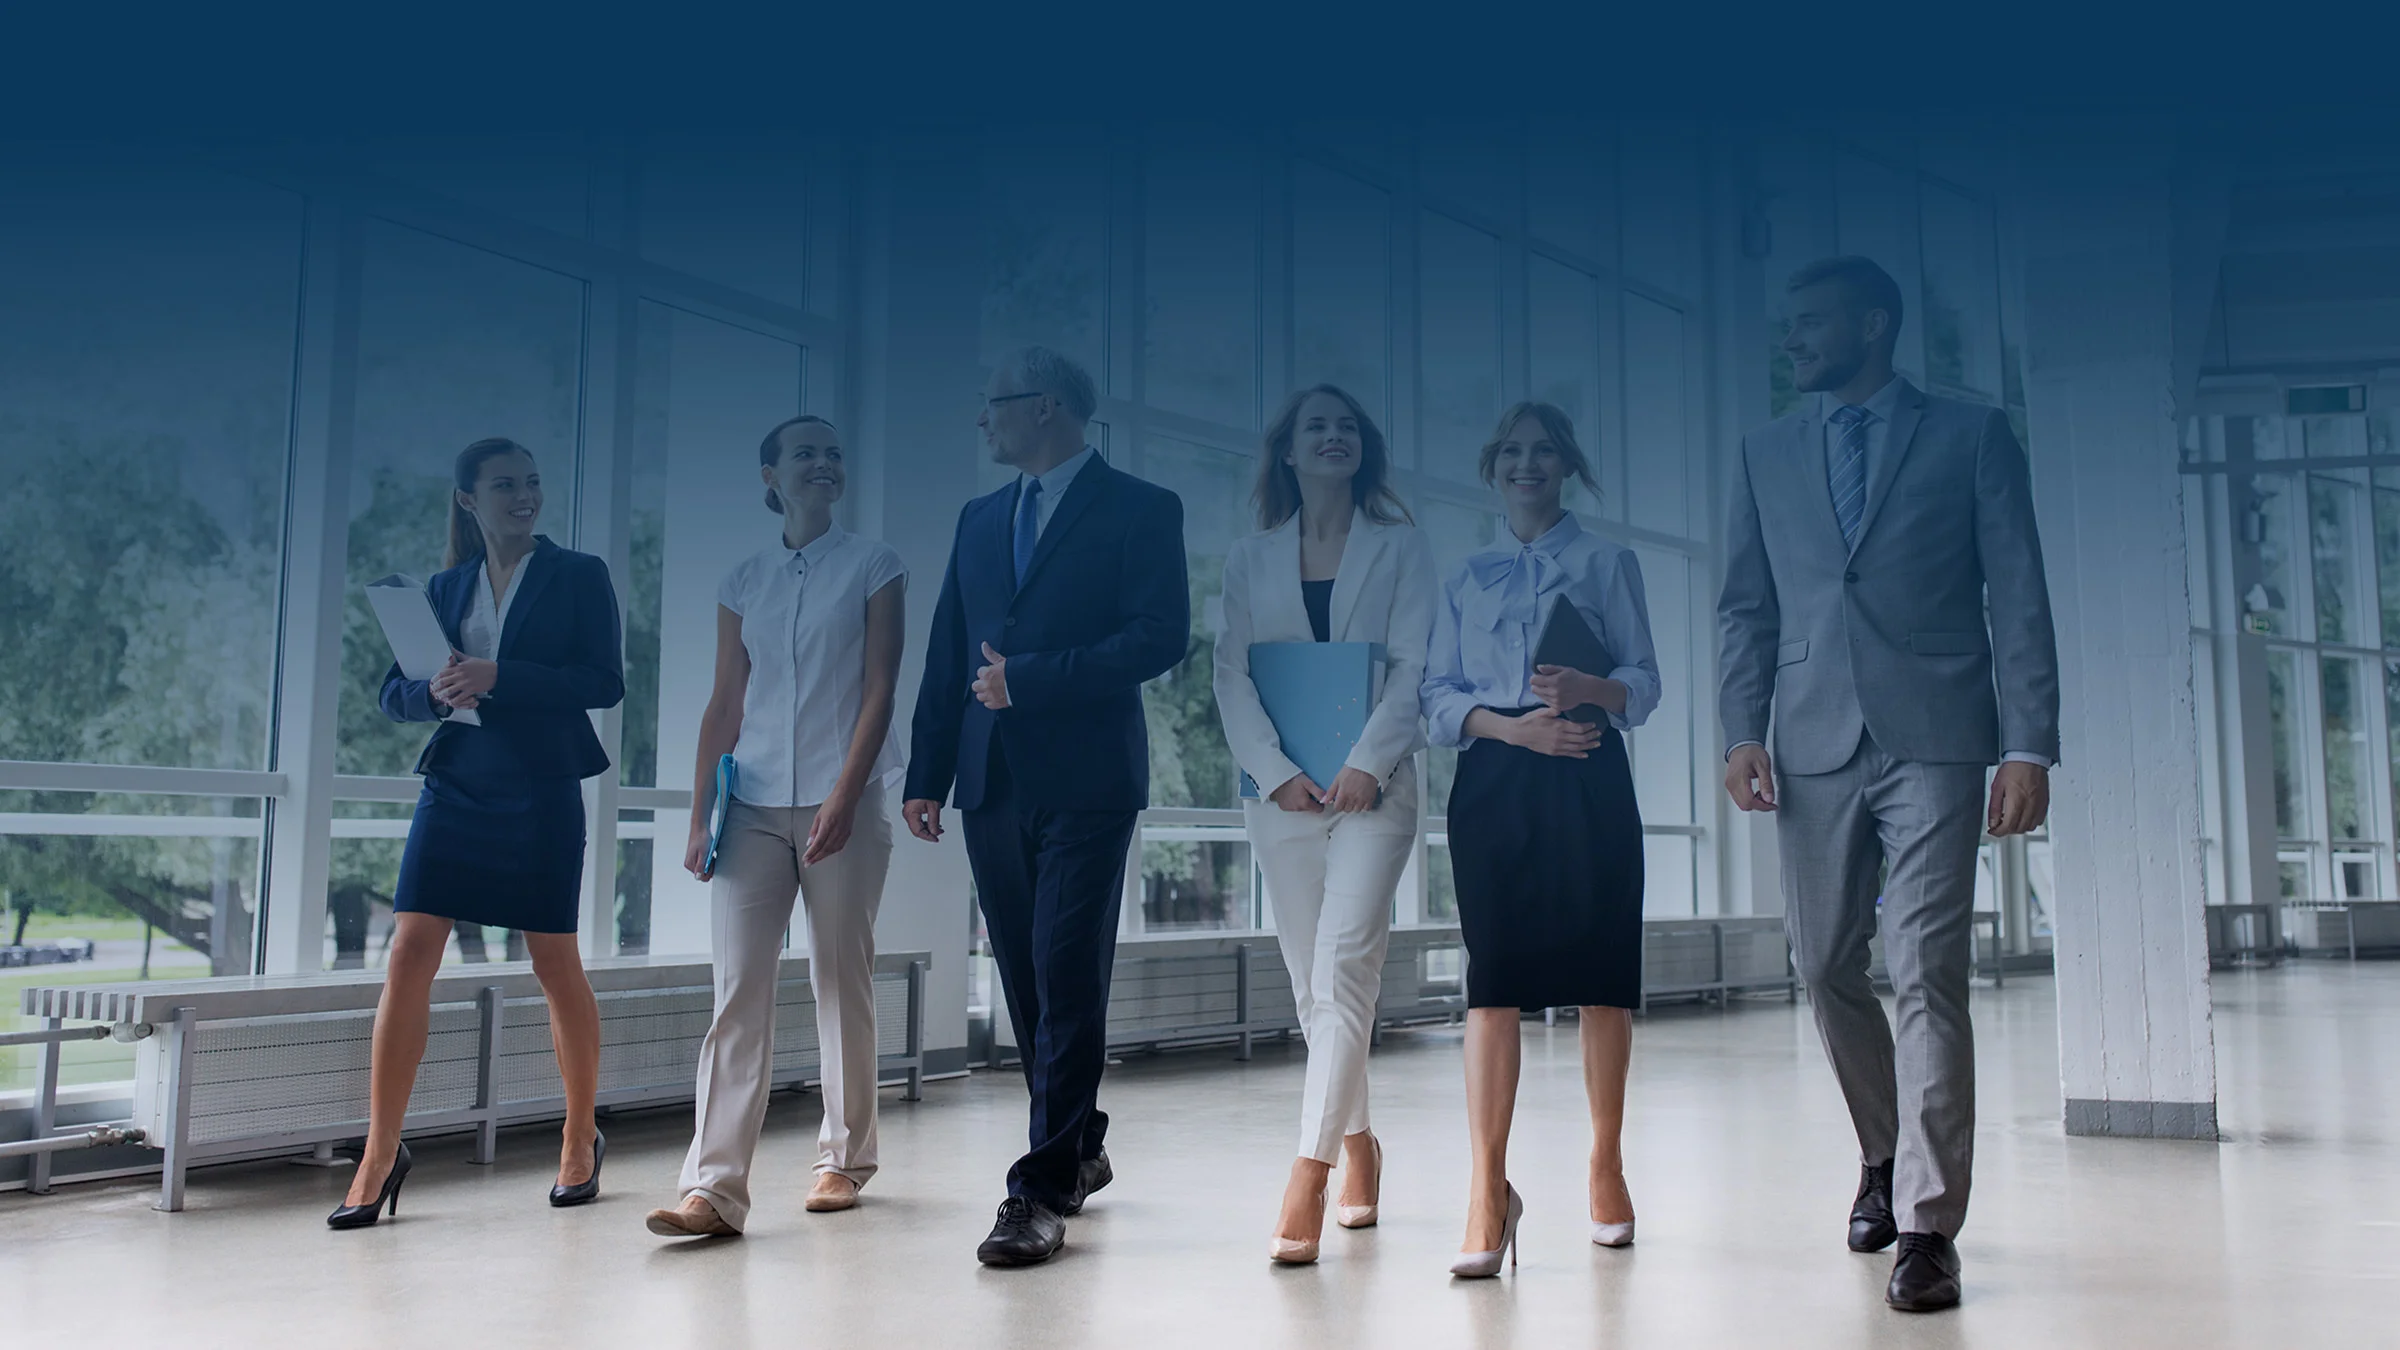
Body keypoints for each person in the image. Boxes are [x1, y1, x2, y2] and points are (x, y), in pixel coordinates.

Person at [1717, 256, 2059, 1313]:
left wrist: (2029, 744)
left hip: (1942, 734)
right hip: (1812, 738)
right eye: (1788, 326)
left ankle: (1926, 1224)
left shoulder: (1971, 434)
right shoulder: (1764, 452)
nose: (1792, 341)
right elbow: (1745, 607)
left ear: (1873, 325)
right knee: (1823, 965)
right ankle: (1880, 1149)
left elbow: (2021, 591)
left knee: (1926, 967)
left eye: (1810, 323)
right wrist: (1740, 729)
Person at [903, 345, 1189, 1266]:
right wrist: (925, 773)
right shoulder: (980, 517)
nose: (982, 421)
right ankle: (1081, 1145)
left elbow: (1158, 636)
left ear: (1048, 408)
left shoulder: (1143, 508)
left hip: (1090, 778)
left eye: (993, 405)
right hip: (991, 781)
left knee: (1065, 967)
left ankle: (1037, 1192)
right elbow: (952, 647)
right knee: (1027, 978)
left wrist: (1031, 680)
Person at [332, 437, 624, 1230]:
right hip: (457, 780)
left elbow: (604, 680)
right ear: (468, 499)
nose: (523, 495)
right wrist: (432, 691)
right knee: (408, 950)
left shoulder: (578, 574)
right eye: (505, 485)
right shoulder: (442, 586)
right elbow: (392, 694)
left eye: (531, 482)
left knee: (552, 958)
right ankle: (381, 1152)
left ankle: (577, 1134)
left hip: (540, 786)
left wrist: (501, 676)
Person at [645, 415, 906, 1240]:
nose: (824, 463)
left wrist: (844, 793)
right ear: (771, 476)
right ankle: (714, 1189)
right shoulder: (743, 579)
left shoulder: (875, 565)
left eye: (834, 452)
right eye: (806, 454)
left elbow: (880, 689)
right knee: (738, 994)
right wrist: (698, 816)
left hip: (846, 803)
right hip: (750, 806)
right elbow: (725, 701)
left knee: (840, 978)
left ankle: (843, 1158)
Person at [1420, 402, 1661, 1278]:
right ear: (1494, 468)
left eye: (1545, 452)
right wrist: (1515, 729)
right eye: (1513, 453)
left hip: (1590, 770)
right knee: (1495, 982)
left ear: (1567, 467)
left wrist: (1591, 686)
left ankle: (1606, 1163)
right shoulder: (1465, 574)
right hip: (1497, 777)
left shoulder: (1608, 561)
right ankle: (1488, 1186)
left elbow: (1646, 683)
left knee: (1602, 976)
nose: (1528, 465)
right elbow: (1436, 697)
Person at [1212, 384, 1434, 1265]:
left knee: (1343, 965)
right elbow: (1231, 675)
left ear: (1362, 448)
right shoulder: (1248, 556)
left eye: (1347, 426)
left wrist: (1364, 763)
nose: (1333, 437)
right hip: (1282, 799)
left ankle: (1308, 1171)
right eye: (1317, 427)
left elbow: (1418, 666)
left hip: (1375, 793)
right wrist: (1277, 774)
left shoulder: (1402, 548)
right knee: (1315, 987)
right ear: (1290, 451)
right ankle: (1360, 1144)